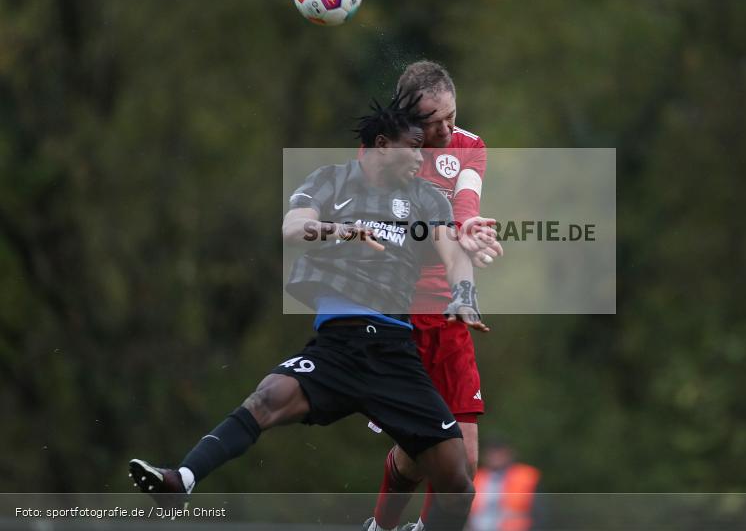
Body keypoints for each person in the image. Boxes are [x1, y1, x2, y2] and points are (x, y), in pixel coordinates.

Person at [128, 92, 488, 531]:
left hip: (394, 352)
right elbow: (293, 227)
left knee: (458, 481)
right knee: (266, 398)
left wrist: (463, 293)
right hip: (337, 347)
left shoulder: (426, 199)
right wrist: (339, 230)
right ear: (381, 146)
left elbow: (453, 253)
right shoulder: (330, 181)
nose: (421, 157)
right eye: (412, 147)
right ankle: (179, 480)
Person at [364, 61, 502, 531]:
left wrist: (469, 228)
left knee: (463, 460)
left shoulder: (471, 147)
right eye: (433, 122)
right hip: (397, 313)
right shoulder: (386, 150)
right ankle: (381, 527)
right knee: (422, 454)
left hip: (448, 312)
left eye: (451, 116)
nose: (446, 129)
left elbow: (465, 199)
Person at [467, 439, 543, 531]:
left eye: (499, 453)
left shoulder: (527, 476)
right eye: (491, 453)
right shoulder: (476, 477)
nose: (495, 457)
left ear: (509, 454)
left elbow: (540, 512)